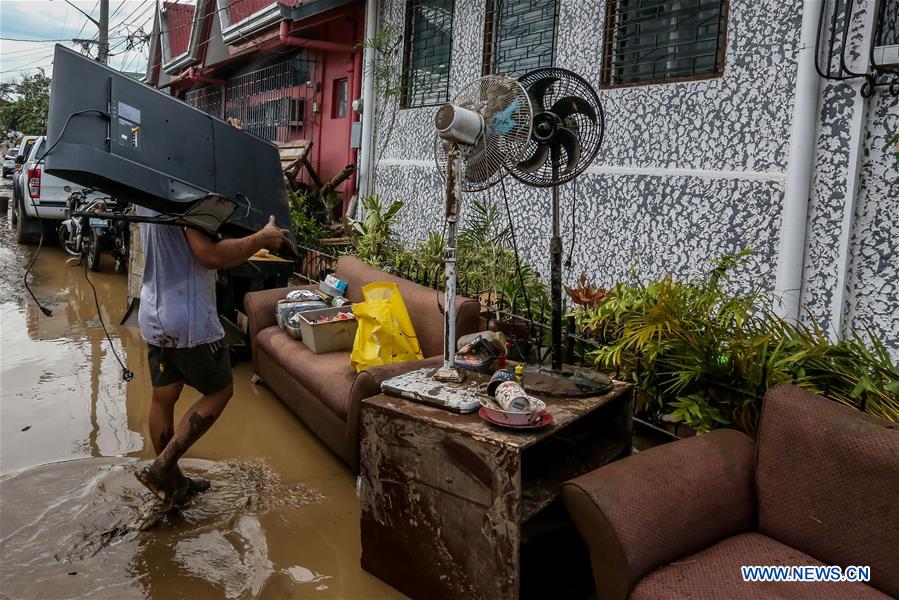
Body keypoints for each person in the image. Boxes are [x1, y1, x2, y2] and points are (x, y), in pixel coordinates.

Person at [135, 207, 290, 508]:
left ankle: (173, 483)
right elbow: (210, 255)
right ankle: (163, 466)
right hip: (188, 317)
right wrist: (261, 238)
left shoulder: (149, 190)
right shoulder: (185, 195)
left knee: (163, 397)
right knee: (220, 390)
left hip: (154, 312)